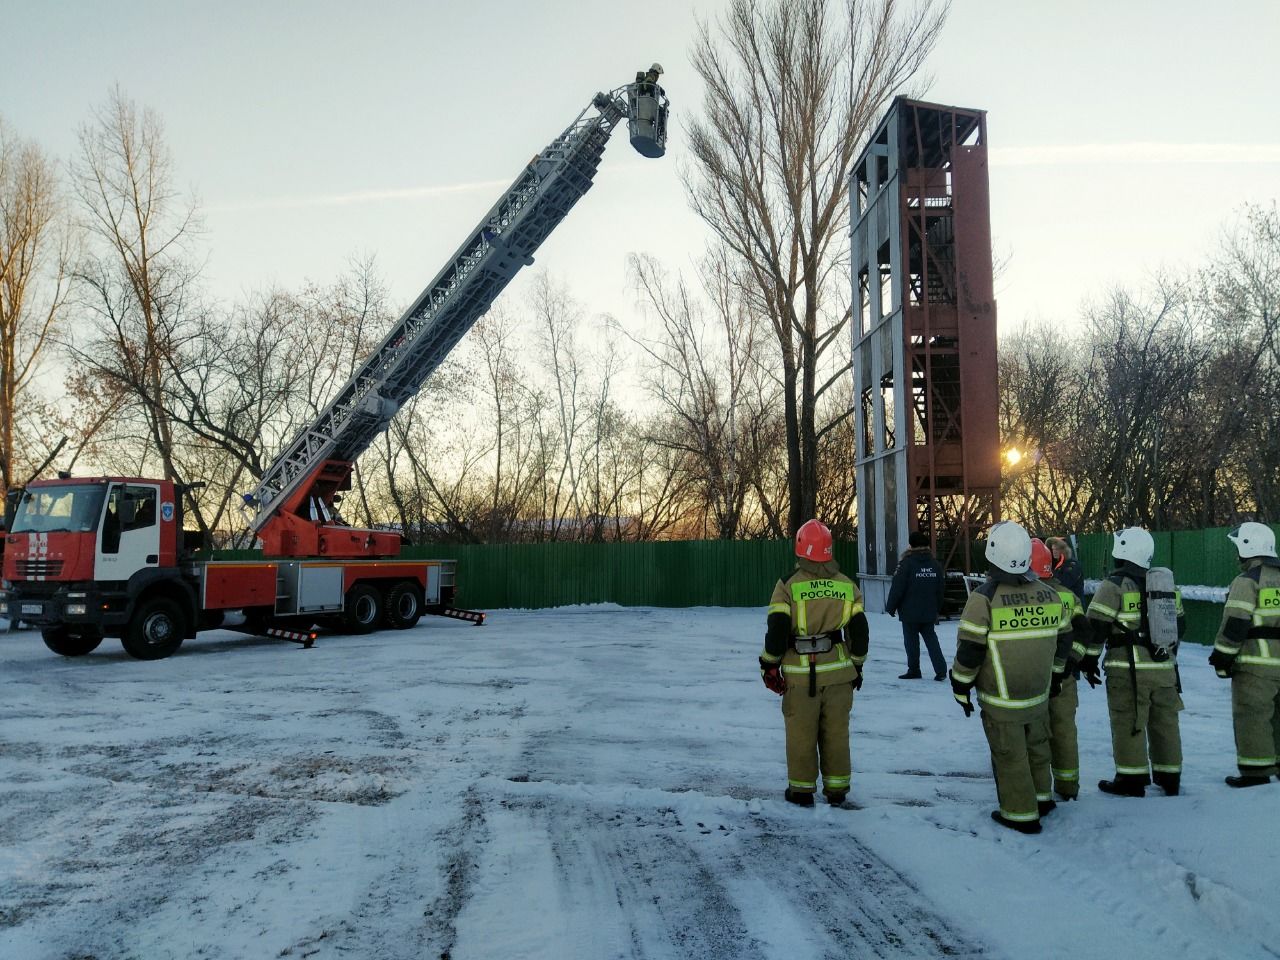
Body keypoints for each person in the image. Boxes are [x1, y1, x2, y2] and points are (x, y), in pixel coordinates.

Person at [949, 520, 1073, 834]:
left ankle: (1020, 814)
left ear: (993, 553)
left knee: (1011, 755)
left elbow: (970, 651)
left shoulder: (983, 598)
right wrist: (1056, 676)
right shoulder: (1049, 595)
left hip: (1002, 700)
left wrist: (960, 685)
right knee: (1037, 748)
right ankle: (1042, 798)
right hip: (1039, 695)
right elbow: (1064, 642)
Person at [759, 519, 870, 807]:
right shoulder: (847, 586)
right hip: (839, 675)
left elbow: (777, 630)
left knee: (801, 734)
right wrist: (856, 665)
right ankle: (837, 791)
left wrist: (769, 664)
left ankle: (801, 791)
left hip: (800, 676)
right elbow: (859, 632)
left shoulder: (787, 586)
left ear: (800, 548)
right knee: (836, 733)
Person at [1083, 527, 1186, 798]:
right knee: (1166, 723)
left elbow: (1096, 627)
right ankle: (1170, 776)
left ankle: (1130, 780)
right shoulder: (1167, 585)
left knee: (1129, 722)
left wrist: (1089, 660)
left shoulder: (1114, 585)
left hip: (1128, 670)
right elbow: (1180, 626)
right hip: (1164, 669)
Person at [1209, 522, 1280, 788]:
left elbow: (1236, 622)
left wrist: (1222, 656)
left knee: (1253, 716)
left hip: (1255, 666)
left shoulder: (1247, 581)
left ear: (1248, 547)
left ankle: (1255, 772)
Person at [1032, 538, 1091, 801]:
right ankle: (1068, 787)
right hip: (1065, 676)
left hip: (1035, 677)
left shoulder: (1028, 595)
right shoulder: (1068, 596)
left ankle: (1039, 790)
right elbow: (1083, 632)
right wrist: (1072, 662)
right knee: (1065, 730)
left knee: (1036, 732)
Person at [885, 531, 947, 680]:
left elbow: (897, 587)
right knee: (932, 640)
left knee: (911, 642)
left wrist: (891, 607)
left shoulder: (906, 563)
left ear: (911, 545)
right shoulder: (935, 564)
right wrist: (938, 607)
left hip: (909, 611)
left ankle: (914, 670)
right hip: (929, 611)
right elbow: (941, 588)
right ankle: (941, 670)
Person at [1046, 537, 1084, 603]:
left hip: (1076, 603)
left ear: (1063, 550)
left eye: (1057, 549)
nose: (1054, 552)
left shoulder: (1072, 565)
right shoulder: (1057, 564)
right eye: (1053, 549)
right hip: (1065, 603)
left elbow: (1063, 583)